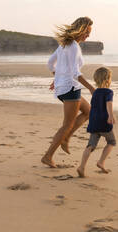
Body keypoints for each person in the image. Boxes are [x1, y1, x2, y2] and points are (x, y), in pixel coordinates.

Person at [41, 17, 95, 168]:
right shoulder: (74, 47)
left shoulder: (64, 45)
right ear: (81, 29)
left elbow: (50, 63)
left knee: (88, 112)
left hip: (63, 88)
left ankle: (66, 138)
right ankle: (48, 155)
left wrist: (57, 77)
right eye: (87, 31)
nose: (88, 35)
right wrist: (91, 87)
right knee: (67, 125)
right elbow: (75, 72)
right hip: (70, 88)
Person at [77, 67, 116, 178]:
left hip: (93, 121)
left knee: (91, 145)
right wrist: (111, 116)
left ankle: (81, 167)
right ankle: (101, 162)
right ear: (108, 79)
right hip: (104, 121)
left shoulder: (95, 92)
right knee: (111, 142)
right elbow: (109, 104)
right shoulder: (108, 92)